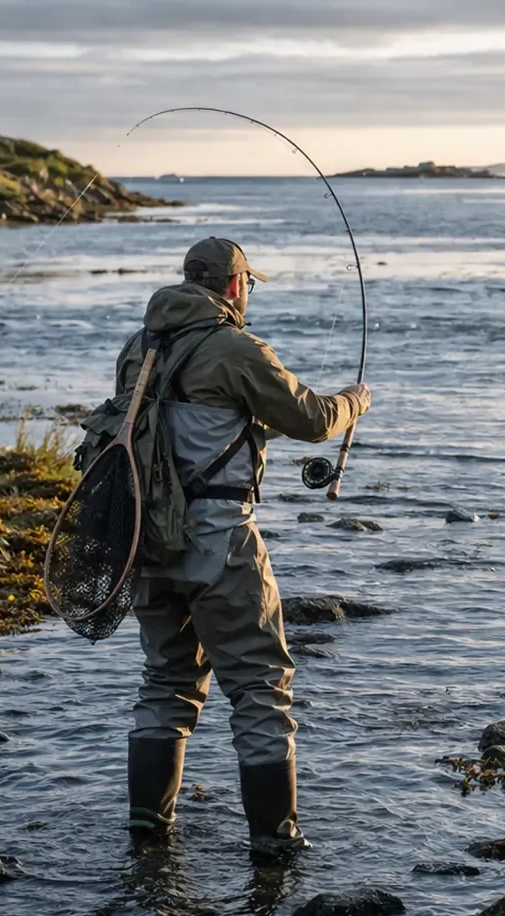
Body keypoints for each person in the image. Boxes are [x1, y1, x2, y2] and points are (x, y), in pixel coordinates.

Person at [116, 236, 369, 860]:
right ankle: (275, 844)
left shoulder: (138, 346)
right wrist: (353, 404)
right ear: (233, 286)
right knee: (260, 686)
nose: (248, 293)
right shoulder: (236, 348)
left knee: (166, 681)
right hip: (217, 542)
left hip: (143, 540)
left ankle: (149, 830)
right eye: (248, 283)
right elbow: (310, 419)